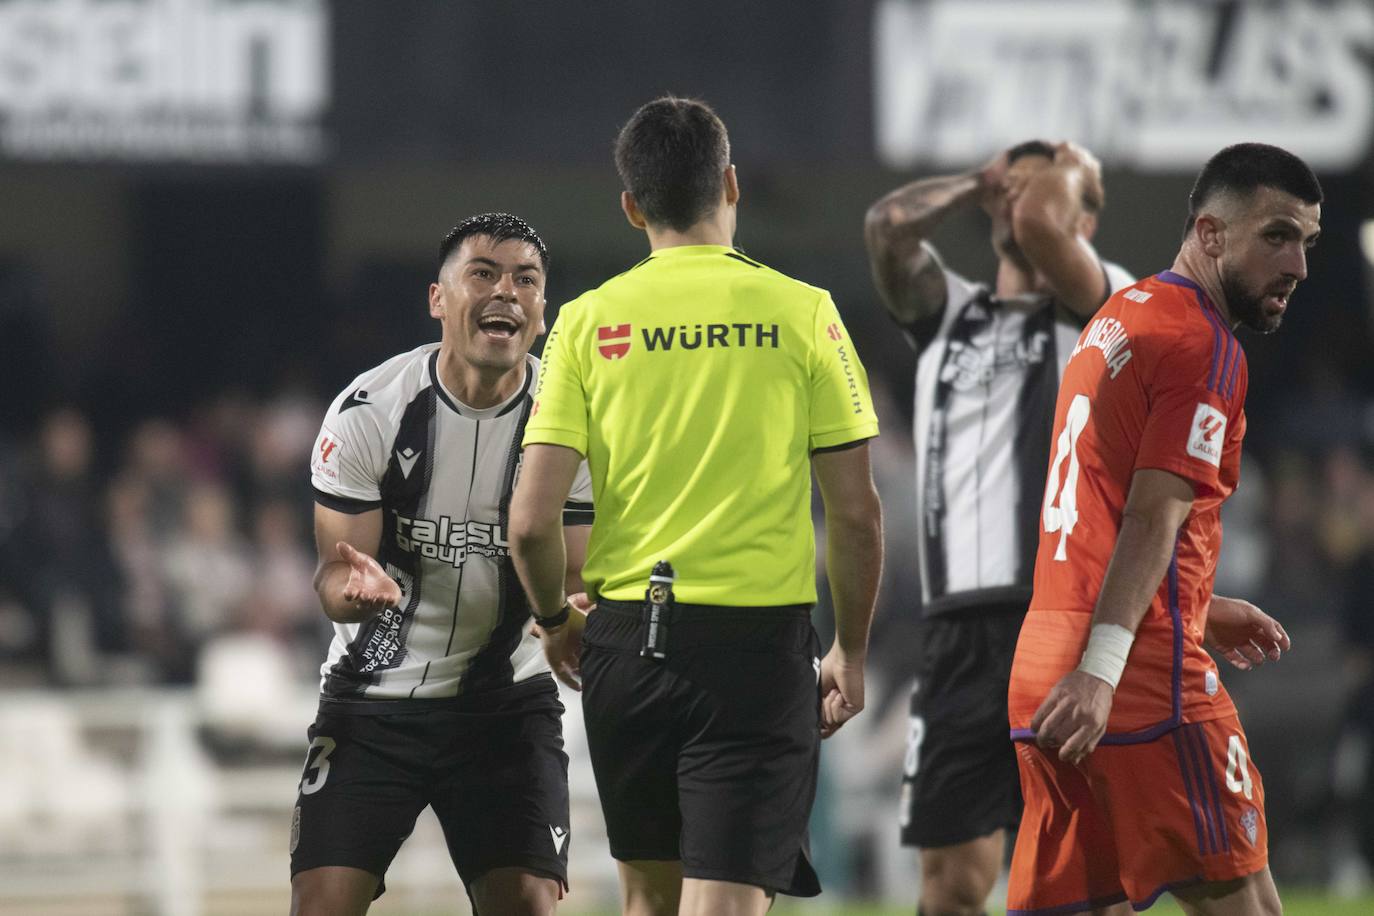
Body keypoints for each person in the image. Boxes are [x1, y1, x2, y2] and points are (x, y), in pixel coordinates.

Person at [507, 96, 884, 916]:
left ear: (632, 205)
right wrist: (851, 650)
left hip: (623, 645)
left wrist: (555, 622)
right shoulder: (803, 312)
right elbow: (856, 514)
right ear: (733, 186)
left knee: (648, 900)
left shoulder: (585, 323)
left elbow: (531, 522)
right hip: (753, 650)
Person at [1006, 142, 1320, 915]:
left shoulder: (1119, 315)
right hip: (1134, 681)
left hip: (1044, 664)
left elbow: (1101, 513)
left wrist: (1199, 609)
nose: (1298, 266)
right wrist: (1107, 668)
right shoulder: (1203, 346)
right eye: (1276, 236)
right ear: (1211, 234)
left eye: (1307, 242)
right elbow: (1151, 512)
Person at [291, 213, 594, 916]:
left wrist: (581, 608)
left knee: (526, 903)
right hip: (371, 705)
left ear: (543, 311)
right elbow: (332, 577)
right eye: (483, 274)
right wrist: (354, 590)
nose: (506, 293)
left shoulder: (572, 416)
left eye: (526, 280)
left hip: (505, 706)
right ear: (438, 299)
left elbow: (577, 578)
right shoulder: (370, 413)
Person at [864, 140, 1132, 916]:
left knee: (1087, 880)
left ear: (1083, 214)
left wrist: (1059, 174)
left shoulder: (1105, 303)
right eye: (1011, 181)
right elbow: (887, 226)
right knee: (948, 885)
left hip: (1058, 623)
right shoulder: (949, 312)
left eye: (1046, 183)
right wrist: (975, 183)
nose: (1021, 193)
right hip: (952, 636)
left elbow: (1046, 231)